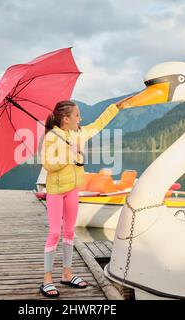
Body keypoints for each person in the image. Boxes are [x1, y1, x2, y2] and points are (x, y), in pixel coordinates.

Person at [39, 96, 133, 298]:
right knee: (55, 232)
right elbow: (48, 164)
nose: (80, 119)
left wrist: (115, 108)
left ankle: (67, 274)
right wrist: (71, 155)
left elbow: (97, 125)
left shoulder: (77, 134)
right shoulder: (51, 137)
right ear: (65, 119)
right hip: (56, 192)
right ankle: (47, 279)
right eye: (77, 116)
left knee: (70, 232)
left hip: (73, 190)